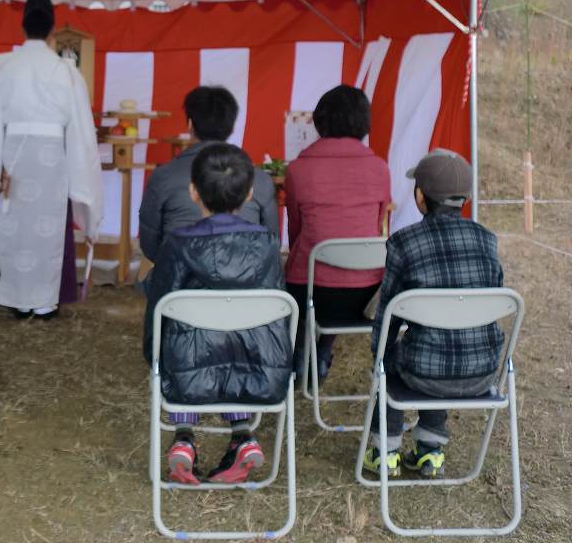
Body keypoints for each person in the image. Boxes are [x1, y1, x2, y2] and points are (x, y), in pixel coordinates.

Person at [143, 143, 291, 485]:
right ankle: (242, 434)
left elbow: (158, 310)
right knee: (233, 342)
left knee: (188, 345)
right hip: (260, 369)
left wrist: (152, 355)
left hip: (186, 377)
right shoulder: (267, 243)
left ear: (193, 192)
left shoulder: (177, 244)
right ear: (251, 193)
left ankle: (183, 437)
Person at [362, 149, 504, 479]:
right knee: (437, 343)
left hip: (423, 370)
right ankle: (429, 451)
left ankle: (385, 452)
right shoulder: (487, 240)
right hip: (484, 371)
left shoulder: (403, 242)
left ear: (419, 197)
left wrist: (377, 356)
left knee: (393, 355)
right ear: (466, 198)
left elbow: (388, 315)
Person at [0, 0, 103, 319]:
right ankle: (45, 302)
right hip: (51, 159)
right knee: (47, 228)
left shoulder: (3, 68)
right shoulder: (65, 71)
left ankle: (17, 298)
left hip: (13, 157)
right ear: (52, 29)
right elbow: (80, 133)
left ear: (23, 26)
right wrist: (82, 181)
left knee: (15, 225)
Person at [283, 85, 391, 379]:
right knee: (346, 266)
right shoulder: (380, 168)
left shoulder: (298, 169)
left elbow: (296, 229)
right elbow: (377, 225)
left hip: (310, 290)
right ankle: (323, 350)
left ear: (321, 120)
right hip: (364, 294)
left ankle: (303, 348)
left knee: (299, 269)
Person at [139, 85, 279, 265]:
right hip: (246, 286)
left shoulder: (162, 176)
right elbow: (272, 242)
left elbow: (150, 245)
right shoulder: (261, 179)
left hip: (179, 286)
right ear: (231, 125)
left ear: (190, 124)